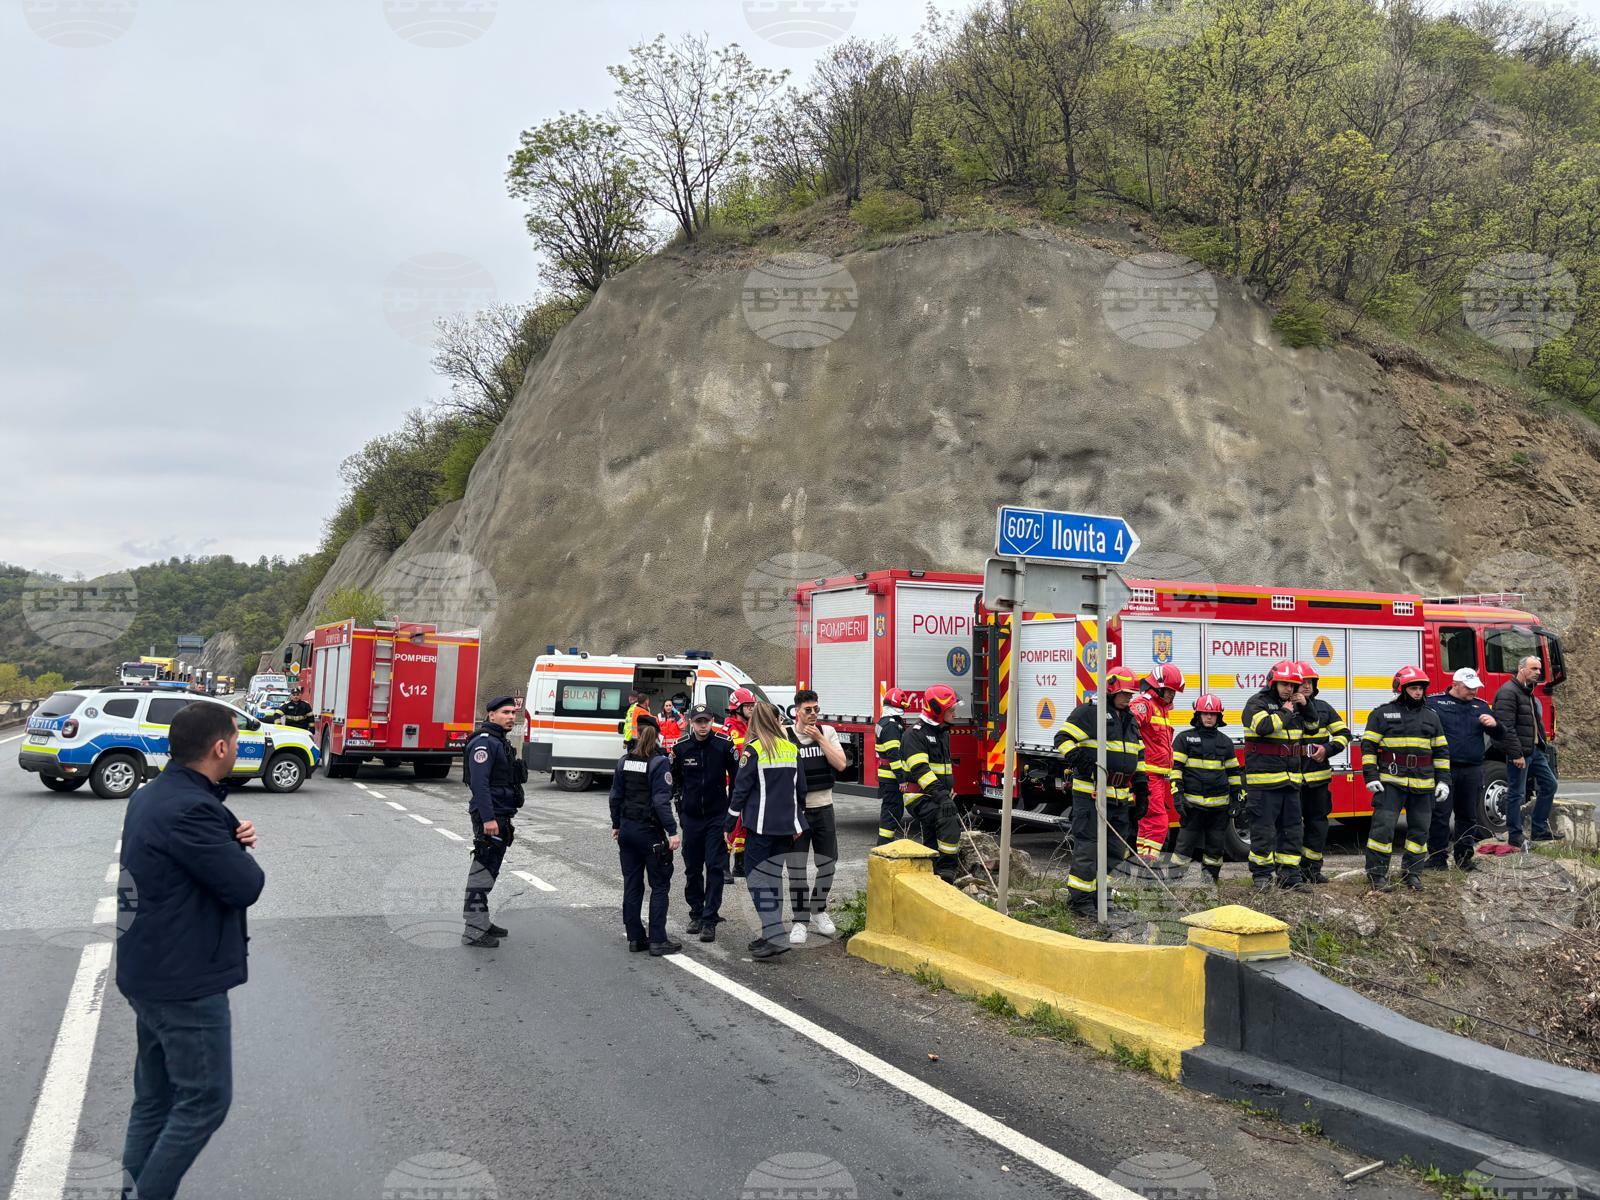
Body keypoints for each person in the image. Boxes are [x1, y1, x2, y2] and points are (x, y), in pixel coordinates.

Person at [117, 701, 265, 1200]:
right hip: (183, 982)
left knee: (154, 1101)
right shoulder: (192, 808)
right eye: (236, 740)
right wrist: (236, 845)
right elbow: (244, 885)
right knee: (204, 1101)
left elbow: (187, 860)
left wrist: (228, 834)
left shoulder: (153, 795)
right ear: (220, 747)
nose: (238, 747)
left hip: (148, 970)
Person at [1056, 666, 1148, 914]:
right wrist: (1084, 764)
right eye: (1124, 693)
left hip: (1120, 796)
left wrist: (1142, 788)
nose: (1128, 698)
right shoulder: (1089, 713)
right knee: (1088, 847)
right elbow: (1062, 739)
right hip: (1091, 794)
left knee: (1115, 850)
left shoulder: (1129, 719)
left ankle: (1101, 898)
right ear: (1111, 690)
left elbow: (1139, 755)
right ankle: (1080, 901)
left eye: (1131, 694)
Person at [726, 702, 807, 960]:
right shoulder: (791, 748)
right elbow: (801, 790)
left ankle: (775, 934)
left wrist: (728, 824)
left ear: (755, 723)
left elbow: (740, 790)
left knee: (756, 878)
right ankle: (770, 934)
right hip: (786, 826)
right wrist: (797, 820)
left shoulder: (754, 749)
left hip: (761, 825)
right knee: (773, 879)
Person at [1361, 666, 1451, 891]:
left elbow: (1441, 752)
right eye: (1413, 688)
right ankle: (1377, 875)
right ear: (1401, 689)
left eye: (1420, 688)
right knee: (1383, 829)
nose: (1418, 692)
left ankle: (1413, 873)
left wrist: (1443, 781)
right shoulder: (1382, 714)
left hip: (1423, 782)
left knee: (1420, 831)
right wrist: (1371, 776)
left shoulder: (1432, 716)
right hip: (1391, 781)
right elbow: (1368, 746)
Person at [1427, 668, 1513, 870]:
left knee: (1467, 816)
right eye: (1469, 687)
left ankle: (1464, 858)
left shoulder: (1480, 705)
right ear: (1455, 684)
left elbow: (1501, 735)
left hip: (1473, 769)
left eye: (1476, 687)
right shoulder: (1435, 703)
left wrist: (1495, 725)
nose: (1473, 691)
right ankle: (1437, 859)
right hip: (1444, 769)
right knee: (1440, 815)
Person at [610, 718, 682, 955]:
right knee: (659, 885)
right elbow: (661, 801)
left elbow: (615, 796)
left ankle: (635, 938)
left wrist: (616, 824)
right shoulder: (659, 762)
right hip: (649, 833)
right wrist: (672, 831)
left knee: (632, 885)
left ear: (637, 734)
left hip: (627, 831)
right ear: (657, 735)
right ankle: (658, 940)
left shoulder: (624, 761)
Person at [671, 703, 739, 943]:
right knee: (692, 868)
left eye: (706, 721)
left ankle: (710, 919)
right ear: (691, 723)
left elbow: (738, 780)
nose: (703, 726)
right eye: (698, 721)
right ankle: (696, 913)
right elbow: (674, 781)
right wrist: (680, 809)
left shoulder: (724, 744)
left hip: (716, 817)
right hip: (691, 818)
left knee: (715, 867)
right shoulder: (680, 747)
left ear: (712, 722)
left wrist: (732, 812)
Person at [461, 695, 526, 948]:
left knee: (491, 869)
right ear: (491, 715)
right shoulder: (485, 743)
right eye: (505, 712)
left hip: (501, 813)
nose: (511, 717)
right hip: (490, 815)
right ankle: (473, 930)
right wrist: (488, 819)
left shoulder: (499, 741)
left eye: (513, 713)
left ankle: (481, 921)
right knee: (483, 870)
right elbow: (479, 784)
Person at [1241, 660, 1308, 892]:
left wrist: (1306, 706)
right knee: (1263, 831)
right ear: (1273, 683)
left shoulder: (1296, 706)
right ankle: (1261, 876)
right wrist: (1286, 711)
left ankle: (1289, 876)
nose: (1289, 689)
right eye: (1284, 684)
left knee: (1293, 830)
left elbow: (1313, 726)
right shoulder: (1257, 703)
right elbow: (1263, 727)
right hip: (1264, 783)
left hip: (1290, 782)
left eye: (1292, 685)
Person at [786, 689, 848, 944]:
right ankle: (800, 921)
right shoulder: (785, 735)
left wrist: (820, 739)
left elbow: (841, 764)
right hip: (797, 811)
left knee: (828, 863)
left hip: (824, 807)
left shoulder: (828, 732)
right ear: (797, 711)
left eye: (816, 710)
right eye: (808, 710)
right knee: (797, 868)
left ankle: (818, 909)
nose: (813, 714)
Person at [1167, 693, 1241, 885]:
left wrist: (1236, 800)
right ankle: (1173, 885)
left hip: (1219, 809)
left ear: (1218, 716)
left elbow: (1234, 774)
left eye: (1213, 714)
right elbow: (1176, 771)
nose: (1209, 717)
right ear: (1198, 715)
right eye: (1205, 713)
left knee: (1215, 850)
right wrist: (1178, 797)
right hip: (1192, 807)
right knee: (1183, 849)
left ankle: (1210, 885)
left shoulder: (1225, 742)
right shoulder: (1184, 739)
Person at [896, 683, 964, 881]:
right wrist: (943, 797)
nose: (955, 714)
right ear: (937, 711)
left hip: (935, 794)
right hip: (918, 796)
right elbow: (921, 771)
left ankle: (932, 872)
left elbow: (943, 769)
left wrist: (948, 789)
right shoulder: (914, 735)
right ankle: (947, 872)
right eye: (951, 710)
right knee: (947, 817)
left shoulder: (942, 732)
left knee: (932, 836)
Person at [1493, 655, 1561, 848]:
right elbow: (1506, 727)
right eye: (1533, 668)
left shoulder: (1527, 691)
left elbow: (1532, 722)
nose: (1538, 672)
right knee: (1517, 793)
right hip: (1521, 753)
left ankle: (1539, 829)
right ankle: (1515, 835)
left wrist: (1542, 744)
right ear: (1521, 669)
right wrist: (1516, 754)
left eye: (1539, 669)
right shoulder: (1508, 692)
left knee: (1550, 785)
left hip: (1535, 750)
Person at [1295, 661, 1352, 885]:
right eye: (1302, 682)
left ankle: (1312, 870)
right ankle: (1290, 872)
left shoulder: (1323, 708)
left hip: (1317, 780)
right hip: (1290, 780)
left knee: (1318, 826)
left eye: (1310, 682)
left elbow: (1344, 734)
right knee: (1290, 828)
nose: (1307, 686)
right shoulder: (1285, 709)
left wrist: (1327, 749)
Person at [1130, 663, 1185, 867]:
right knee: (1159, 821)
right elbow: (1128, 727)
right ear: (1158, 687)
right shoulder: (1144, 705)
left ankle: (1143, 861)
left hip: (1158, 775)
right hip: (1148, 774)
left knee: (1146, 822)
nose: (1172, 694)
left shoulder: (1161, 708)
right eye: (1169, 690)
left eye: (1174, 691)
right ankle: (1149, 863)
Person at [722, 687, 758, 878]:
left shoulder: (753, 727)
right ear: (737, 708)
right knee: (732, 823)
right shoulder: (729, 729)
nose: (752, 708)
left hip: (750, 782)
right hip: (733, 783)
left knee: (744, 824)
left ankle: (740, 864)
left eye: (753, 705)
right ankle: (723, 866)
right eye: (748, 705)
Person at [874, 687, 913, 844]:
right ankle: (883, 845)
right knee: (892, 812)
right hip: (891, 777)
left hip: (887, 775)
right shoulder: (891, 726)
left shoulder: (884, 722)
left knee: (891, 810)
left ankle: (884, 843)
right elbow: (894, 755)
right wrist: (901, 779)